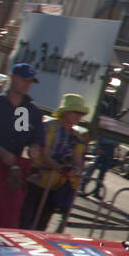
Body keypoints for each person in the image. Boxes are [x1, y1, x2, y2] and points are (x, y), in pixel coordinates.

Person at [0, 63, 42, 228]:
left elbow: (24, 137)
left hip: (11, 172)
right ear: (12, 77)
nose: (27, 84)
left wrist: (33, 148)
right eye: (23, 79)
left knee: (6, 215)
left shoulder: (27, 110)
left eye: (30, 81)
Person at [21, 93, 88, 231]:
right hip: (36, 181)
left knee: (41, 225)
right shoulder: (47, 127)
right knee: (24, 221)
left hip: (55, 186)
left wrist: (76, 170)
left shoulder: (77, 137)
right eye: (76, 112)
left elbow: (78, 160)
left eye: (81, 113)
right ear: (66, 112)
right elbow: (43, 154)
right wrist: (60, 168)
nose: (79, 116)